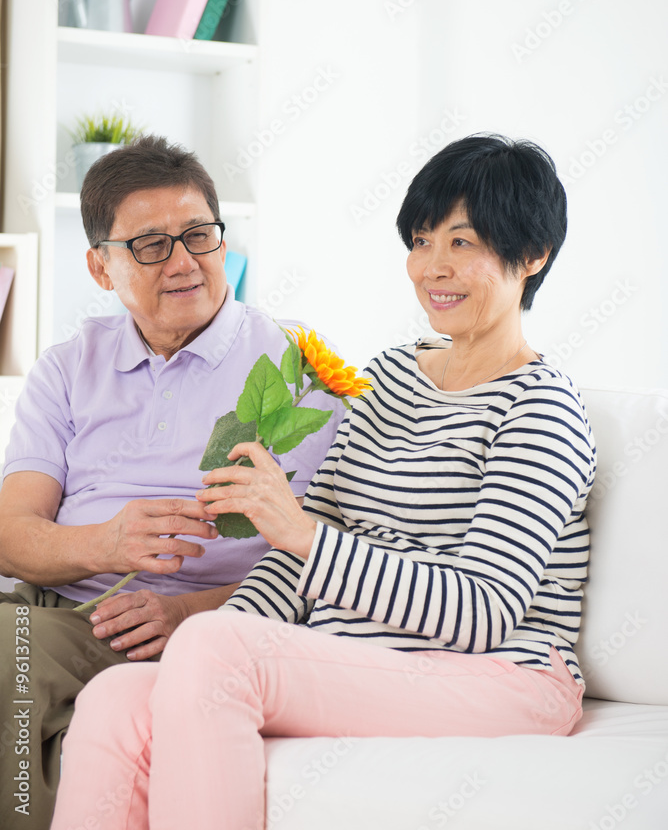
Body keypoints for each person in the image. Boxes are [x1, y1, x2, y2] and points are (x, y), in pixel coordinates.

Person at [51, 133, 596, 830]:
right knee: (117, 698)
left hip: (507, 674)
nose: (433, 267)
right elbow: (297, 559)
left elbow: (483, 609)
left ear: (533, 255)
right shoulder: (395, 374)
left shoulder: (540, 408)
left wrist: (303, 538)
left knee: (215, 646)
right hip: (364, 656)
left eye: (463, 243)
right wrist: (218, 637)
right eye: (422, 240)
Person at [0, 135, 342, 830]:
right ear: (101, 267)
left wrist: (186, 613)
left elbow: (322, 555)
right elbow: (11, 535)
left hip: (208, 623)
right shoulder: (69, 366)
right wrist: (106, 544)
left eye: (199, 235)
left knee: (12, 661)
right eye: (151, 245)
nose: (184, 262)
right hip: (60, 607)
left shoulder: (298, 367)